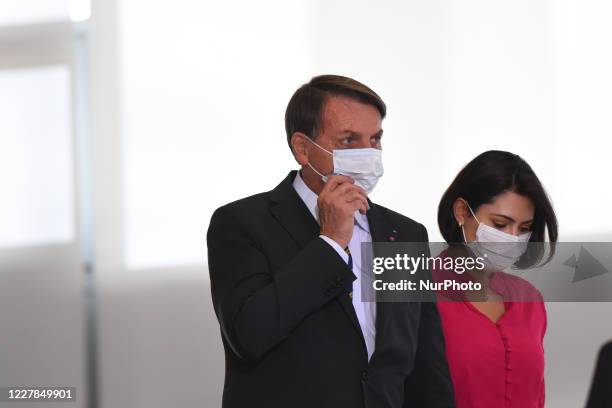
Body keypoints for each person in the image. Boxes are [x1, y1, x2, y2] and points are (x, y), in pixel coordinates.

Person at [207, 75, 455, 408]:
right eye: (349, 140)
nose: (367, 153)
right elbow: (249, 335)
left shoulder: (404, 234)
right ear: (303, 148)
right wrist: (331, 243)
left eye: (375, 140)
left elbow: (426, 363)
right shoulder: (242, 223)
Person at [435, 150, 559, 408]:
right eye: (501, 224)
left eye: (524, 228)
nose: (513, 238)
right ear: (462, 212)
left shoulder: (529, 298)